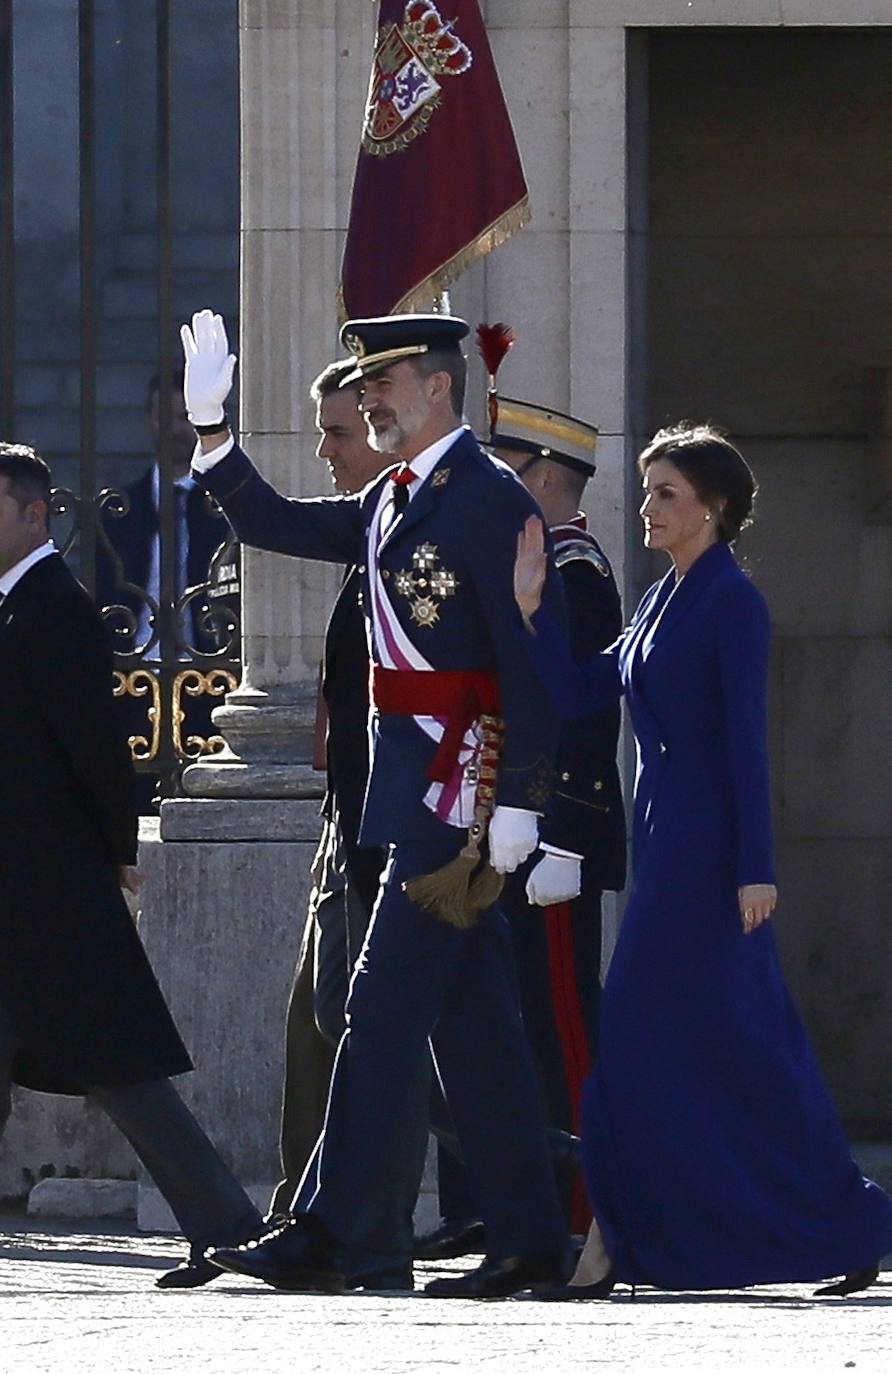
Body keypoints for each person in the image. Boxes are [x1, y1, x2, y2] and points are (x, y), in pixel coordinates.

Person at [180, 307, 572, 1298]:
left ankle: (335, 1231)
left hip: (467, 795)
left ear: (438, 386)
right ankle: (530, 1236)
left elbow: (532, 657)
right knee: (473, 1027)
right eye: (361, 388)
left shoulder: (487, 499)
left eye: (380, 385)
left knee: (381, 1007)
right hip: (419, 789)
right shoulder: (401, 494)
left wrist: (523, 798)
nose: (364, 401)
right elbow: (278, 524)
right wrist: (213, 437)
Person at [512, 422, 892, 1298]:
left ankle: (618, 1246)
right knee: (726, 1048)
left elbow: (746, 746)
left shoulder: (733, 601)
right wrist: (532, 612)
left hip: (714, 861)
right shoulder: (658, 598)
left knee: (693, 1047)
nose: (647, 508)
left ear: (712, 508)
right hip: (666, 845)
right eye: (648, 491)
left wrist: (756, 868)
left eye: (665, 494)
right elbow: (577, 691)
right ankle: (833, 1223)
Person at [0, 442, 261, 1289]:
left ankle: (225, 1225)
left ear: (34, 514)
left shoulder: (54, 606)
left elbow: (96, 749)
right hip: (17, 879)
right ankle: (224, 1224)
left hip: (47, 884)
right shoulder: (13, 606)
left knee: (120, 1069)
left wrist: (115, 851)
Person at [417, 396, 626, 1257]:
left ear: (545, 479)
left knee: (559, 1026)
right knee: (498, 1022)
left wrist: (567, 835)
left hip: (551, 839)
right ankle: (500, 1202)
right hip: (501, 829)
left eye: (509, 473)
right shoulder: (524, 567)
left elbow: (582, 715)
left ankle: (584, 1206)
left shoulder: (576, 574)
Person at [267, 358, 420, 1291]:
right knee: (317, 1024)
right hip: (348, 817)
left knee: (368, 1030)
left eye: (339, 431)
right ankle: (312, 1216)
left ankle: (367, 1230)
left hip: (391, 829)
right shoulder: (372, 533)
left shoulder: (412, 537)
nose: (325, 449)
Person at [96, 369, 238, 810]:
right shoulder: (119, 507)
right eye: (165, 416)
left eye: (184, 417)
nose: (175, 428)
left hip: (210, 678)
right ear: (148, 421)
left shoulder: (226, 509)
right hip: (131, 681)